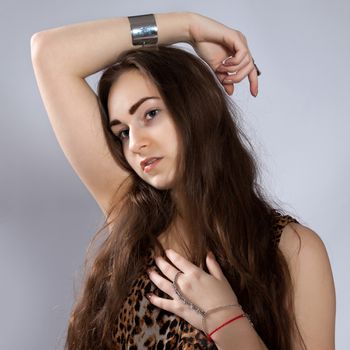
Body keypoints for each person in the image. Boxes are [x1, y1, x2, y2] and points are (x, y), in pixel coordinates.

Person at [30, 12, 335, 350]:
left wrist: (227, 320)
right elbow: (50, 53)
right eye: (122, 131)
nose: (135, 144)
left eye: (150, 114)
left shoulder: (292, 250)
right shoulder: (129, 215)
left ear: (196, 109)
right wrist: (187, 27)